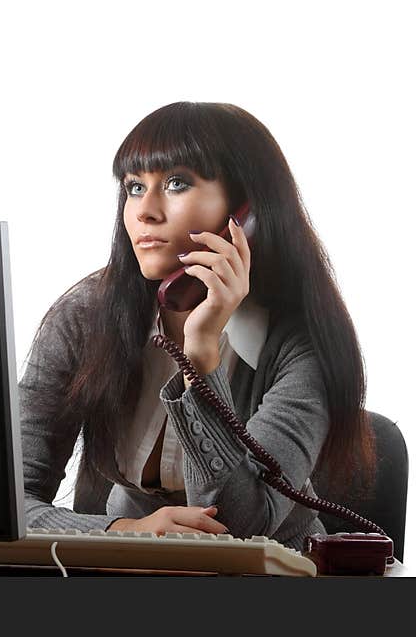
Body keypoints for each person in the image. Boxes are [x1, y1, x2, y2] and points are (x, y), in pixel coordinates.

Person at [19, 102, 375, 552]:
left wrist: (201, 357)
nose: (145, 211)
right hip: (119, 575)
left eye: (176, 183)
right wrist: (124, 532)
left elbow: (241, 523)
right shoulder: (85, 317)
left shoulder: (302, 343)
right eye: (133, 187)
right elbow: (6, 501)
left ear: (246, 210)